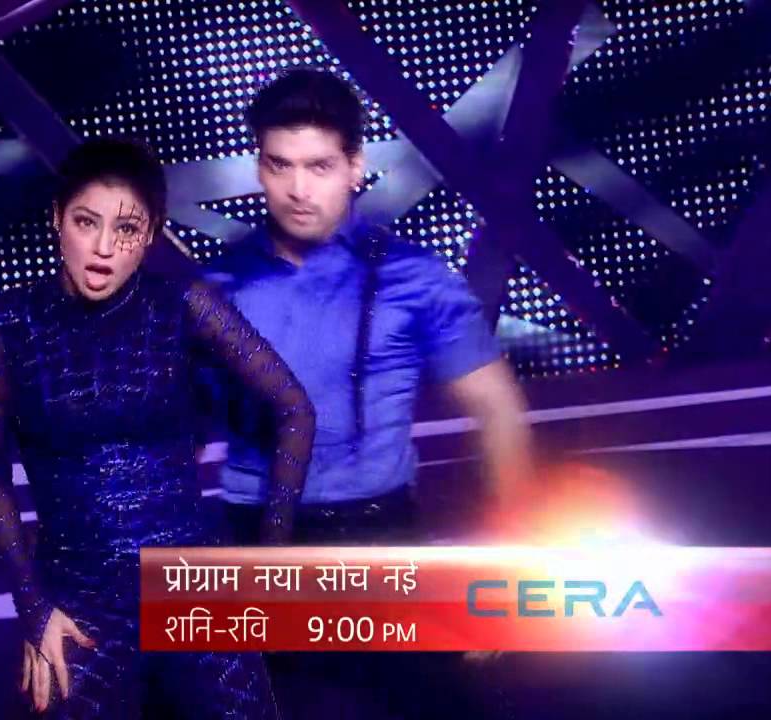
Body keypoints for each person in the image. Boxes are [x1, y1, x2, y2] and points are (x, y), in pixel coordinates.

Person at [203, 68, 534, 718]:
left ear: (355, 166)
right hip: (255, 542)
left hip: (382, 536)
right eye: (279, 165)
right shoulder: (215, 286)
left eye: (319, 166)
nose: (298, 189)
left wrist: (509, 569)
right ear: (259, 167)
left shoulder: (414, 277)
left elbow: (498, 409)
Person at [0, 137, 315, 718]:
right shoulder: (8, 324)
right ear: (57, 218)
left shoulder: (183, 304)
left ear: (150, 235)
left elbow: (294, 408)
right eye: (86, 222)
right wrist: (33, 608)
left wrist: (270, 567)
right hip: (79, 607)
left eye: (126, 229)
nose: (103, 247)